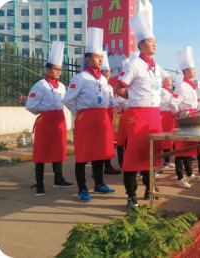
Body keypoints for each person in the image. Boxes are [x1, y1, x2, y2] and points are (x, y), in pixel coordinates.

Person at [115, 12, 163, 210]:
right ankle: (131, 195)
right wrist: (133, 98)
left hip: (154, 116)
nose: (154, 45)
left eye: (155, 42)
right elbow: (118, 88)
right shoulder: (134, 64)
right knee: (134, 157)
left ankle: (149, 188)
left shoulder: (156, 68)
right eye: (150, 42)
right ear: (141, 45)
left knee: (152, 155)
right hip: (138, 116)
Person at [63, 28, 116, 202]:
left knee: (100, 154)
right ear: (87, 59)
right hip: (86, 119)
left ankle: (99, 184)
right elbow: (68, 100)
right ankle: (82, 189)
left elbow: (108, 100)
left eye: (101, 57)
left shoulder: (103, 79)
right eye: (96, 57)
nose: (100, 60)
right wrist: (80, 114)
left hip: (101, 119)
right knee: (83, 155)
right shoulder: (80, 78)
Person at [26, 41, 74, 196]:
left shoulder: (61, 86)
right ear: (47, 69)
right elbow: (31, 105)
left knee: (58, 151)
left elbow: (66, 101)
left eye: (60, 69)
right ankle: (39, 184)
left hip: (59, 122)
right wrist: (45, 112)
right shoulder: (40, 85)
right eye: (55, 69)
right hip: (45, 122)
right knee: (40, 153)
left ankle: (58, 179)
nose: (58, 72)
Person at [169, 46, 200, 188]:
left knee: (189, 149)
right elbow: (172, 103)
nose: (195, 71)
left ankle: (190, 173)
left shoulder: (191, 86)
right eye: (193, 69)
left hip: (192, 121)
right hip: (183, 122)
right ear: (186, 70)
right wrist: (180, 114)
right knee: (181, 151)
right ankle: (180, 177)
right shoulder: (182, 86)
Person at [101, 51, 121, 175]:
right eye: (105, 72)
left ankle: (108, 165)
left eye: (109, 71)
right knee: (100, 142)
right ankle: (97, 167)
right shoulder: (97, 84)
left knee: (108, 141)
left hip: (109, 115)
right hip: (101, 114)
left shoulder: (109, 86)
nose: (108, 74)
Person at [159, 68, 176, 169]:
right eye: (168, 78)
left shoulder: (170, 91)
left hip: (170, 115)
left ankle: (167, 160)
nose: (170, 80)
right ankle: (163, 160)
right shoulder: (161, 90)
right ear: (163, 80)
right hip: (163, 115)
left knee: (169, 139)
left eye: (170, 78)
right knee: (164, 138)